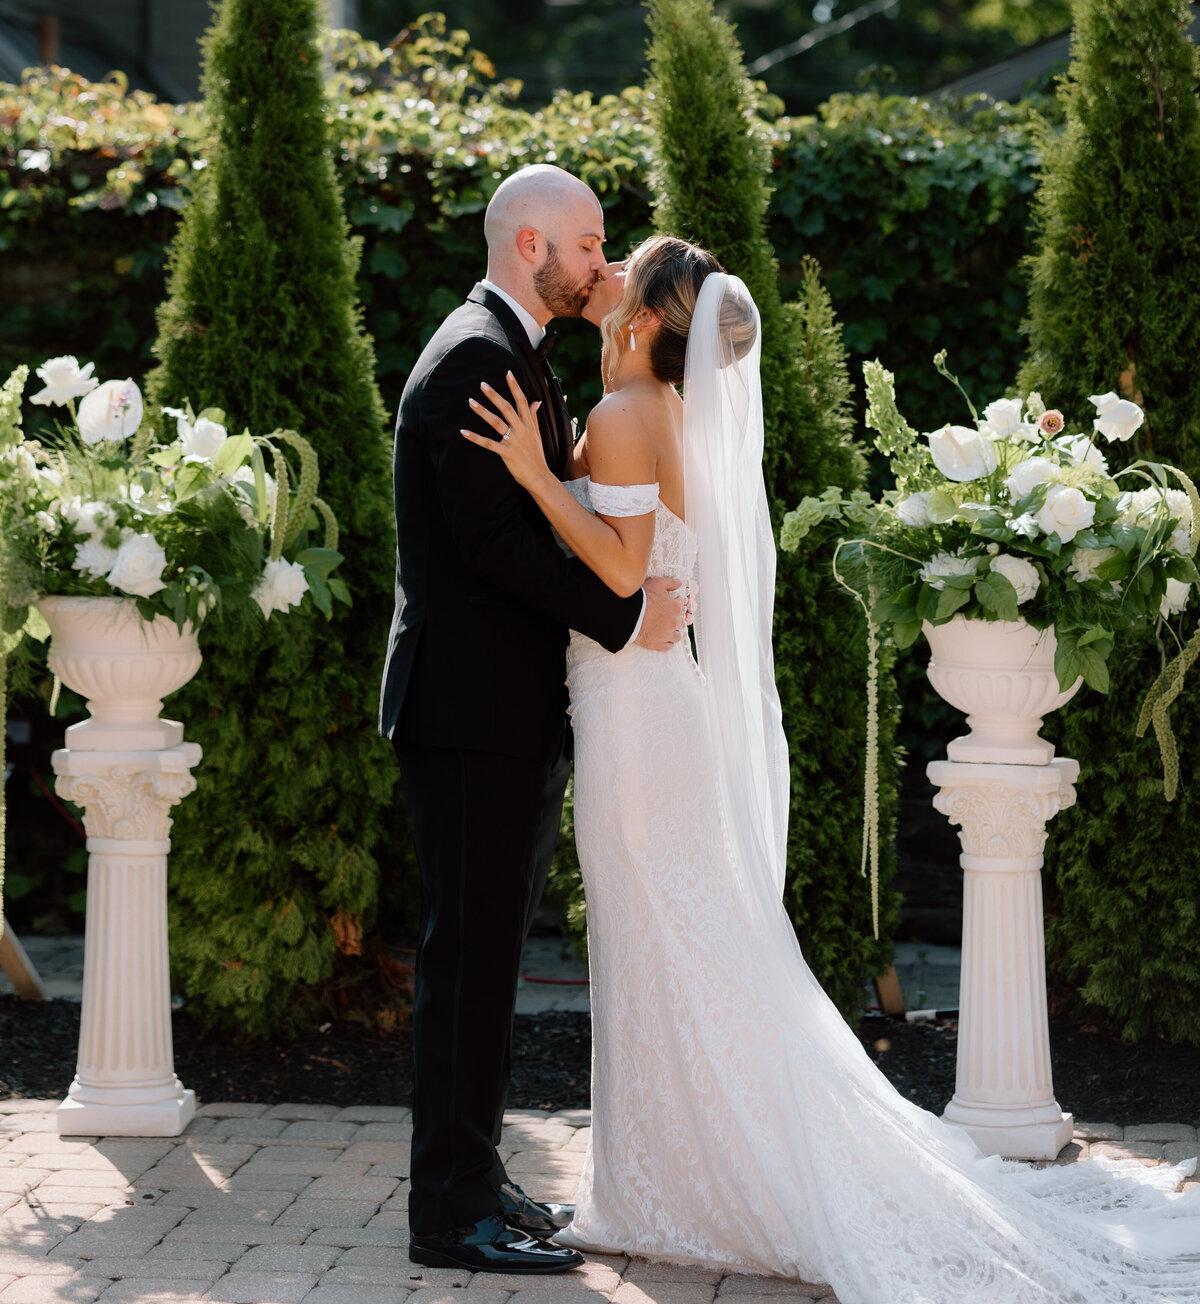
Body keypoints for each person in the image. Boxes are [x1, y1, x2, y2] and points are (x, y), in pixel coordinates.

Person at [461, 232, 1200, 1304]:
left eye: (625, 264)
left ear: (651, 317)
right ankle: (671, 1182)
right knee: (672, 941)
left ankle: (687, 1187)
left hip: (636, 716)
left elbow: (621, 571)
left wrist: (533, 472)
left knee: (664, 940)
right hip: (648, 704)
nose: (605, 268)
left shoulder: (626, 413)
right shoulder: (654, 407)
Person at [378, 166, 687, 1277]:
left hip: (498, 711)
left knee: (488, 958)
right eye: (589, 243)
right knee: (467, 966)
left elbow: (533, 514)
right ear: (529, 246)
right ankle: (447, 1214)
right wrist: (626, 618)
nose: (602, 262)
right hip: (470, 714)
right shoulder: (477, 357)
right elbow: (495, 548)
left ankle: (475, 1175)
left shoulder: (513, 351)